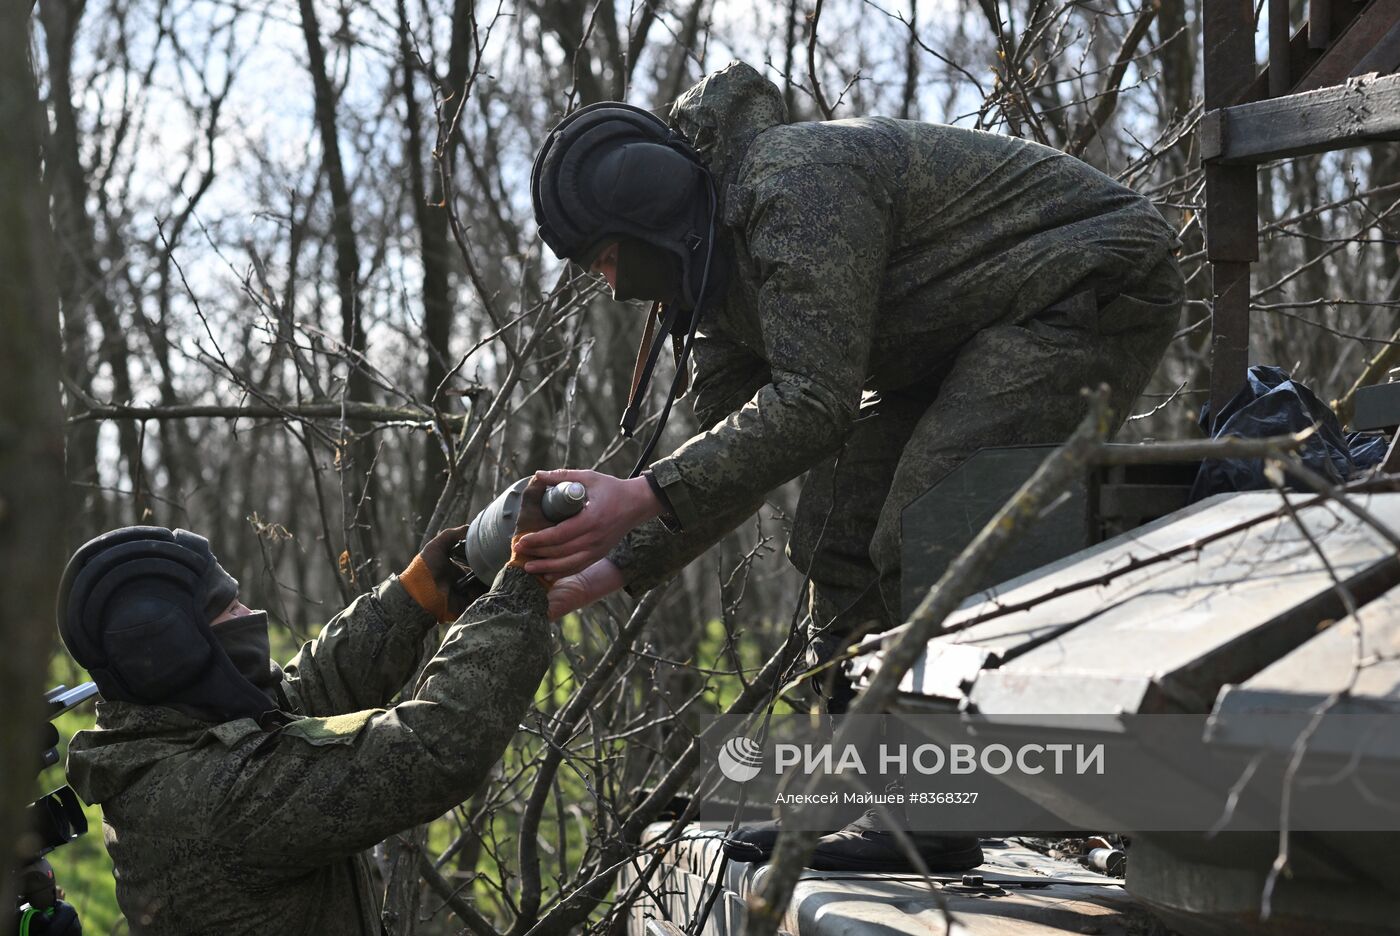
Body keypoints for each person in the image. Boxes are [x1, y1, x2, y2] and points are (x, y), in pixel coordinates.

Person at [525, 61, 1184, 867]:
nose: (612, 284)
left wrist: (641, 495)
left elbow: (816, 403)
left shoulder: (792, 183)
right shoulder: (714, 286)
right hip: (954, 333)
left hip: (1083, 281)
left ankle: (932, 817)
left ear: (655, 211)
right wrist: (615, 565)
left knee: (928, 519)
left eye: (605, 259)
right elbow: (738, 455)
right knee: (837, 531)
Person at [59, 481, 556, 935]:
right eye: (228, 609)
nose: (252, 615)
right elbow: (431, 746)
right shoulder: (207, 800)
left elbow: (300, 699)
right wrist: (517, 593)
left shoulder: (176, 732)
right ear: (178, 654)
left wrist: (414, 597)